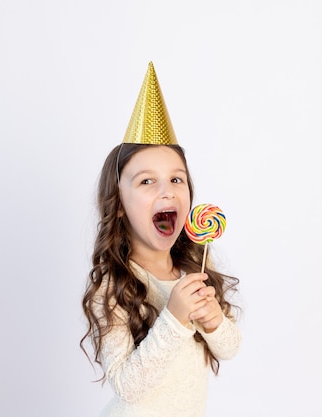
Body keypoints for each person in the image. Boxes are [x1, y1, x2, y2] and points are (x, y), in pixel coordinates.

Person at [80, 62, 242, 417]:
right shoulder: (114, 286)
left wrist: (214, 321)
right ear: (119, 205)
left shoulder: (195, 266)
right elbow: (127, 386)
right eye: (146, 181)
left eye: (176, 179)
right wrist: (174, 317)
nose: (166, 191)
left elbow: (229, 348)